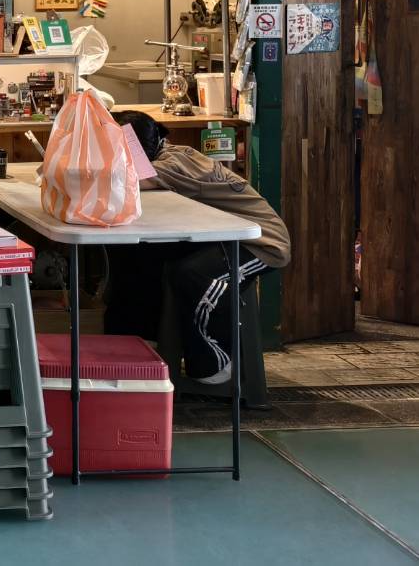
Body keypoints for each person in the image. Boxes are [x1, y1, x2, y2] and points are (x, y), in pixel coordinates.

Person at [106, 111, 291, 385]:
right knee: (136, 254)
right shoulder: (166, 155)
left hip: (260, 241)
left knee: (193, 275)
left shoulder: (175, 164)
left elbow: (122, 185)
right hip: (219, 235)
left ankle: (212, 364)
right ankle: (140, 340)